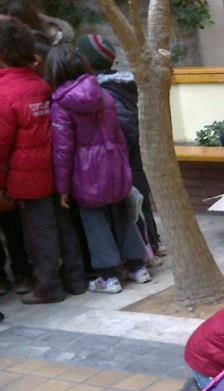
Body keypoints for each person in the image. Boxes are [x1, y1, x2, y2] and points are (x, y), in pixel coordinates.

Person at [47, 43, 149, 294]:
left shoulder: (61, 103)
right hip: (114, 163)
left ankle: (109, 277)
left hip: (85, 171)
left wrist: (62, 188)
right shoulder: (103, 94)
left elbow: (63, 149)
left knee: (94, 221)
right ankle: (138, 267)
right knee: (123, 214)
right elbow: (118, 135)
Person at [0, 18, 84, 304]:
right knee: (64, 226)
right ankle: (76, 279)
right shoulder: (41, 84)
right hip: (56, 171)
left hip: (26, 179)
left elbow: (1, 145)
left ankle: (48, 286)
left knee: (38, 234)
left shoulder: (4, 93)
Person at [76, 33, 165, 260]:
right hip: (137, 150)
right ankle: (153, 241)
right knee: (141, 197)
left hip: (123, 152)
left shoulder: (102, 91)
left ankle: (146, 248)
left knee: (133, 202)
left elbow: (122, 125)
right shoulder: (126, 84)